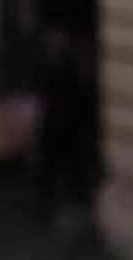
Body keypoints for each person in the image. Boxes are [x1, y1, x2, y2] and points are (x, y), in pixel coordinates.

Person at [33, 27, 98, 234]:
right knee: (62, 168)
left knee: (67, 168)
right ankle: (64, 205)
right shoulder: (64, 68)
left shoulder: (67, 68)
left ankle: (69, 210)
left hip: (67, 127)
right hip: (64, 127)